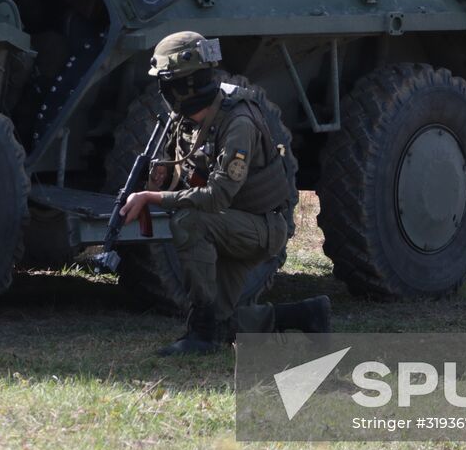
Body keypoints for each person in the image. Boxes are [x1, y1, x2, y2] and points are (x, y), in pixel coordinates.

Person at [120, 31, 330, 356]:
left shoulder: (238, 122)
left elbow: (217, 196)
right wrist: (161, 178)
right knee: (225, 323)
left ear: (181, 86)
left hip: (261, 228)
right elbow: (189, 173)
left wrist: (152, 199)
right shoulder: (187, 119)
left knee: (189, 221)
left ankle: (200, 335)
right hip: (235, 223)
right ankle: (307, 314)